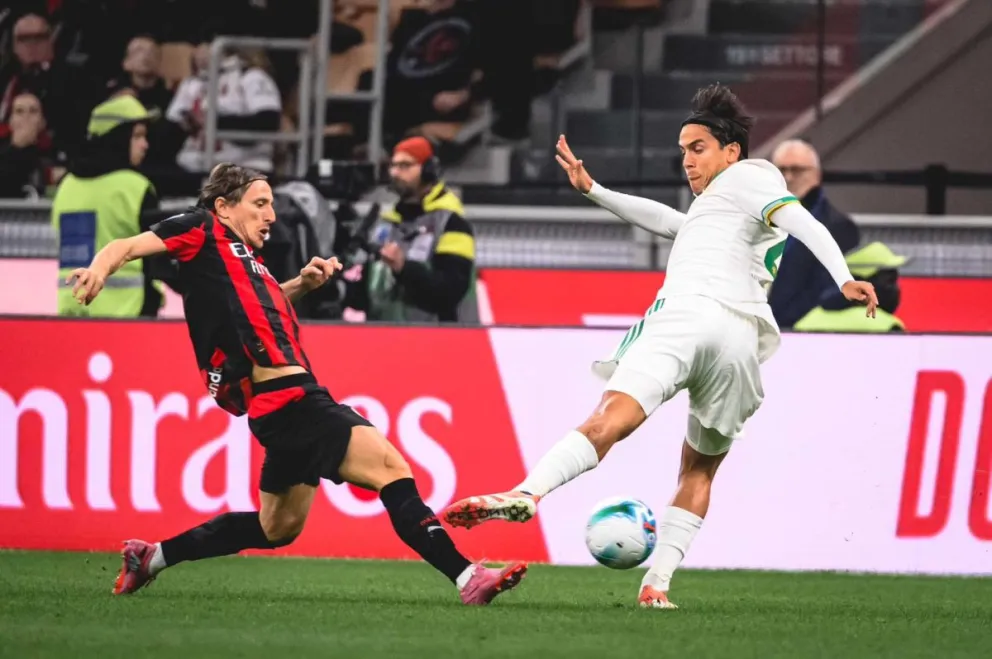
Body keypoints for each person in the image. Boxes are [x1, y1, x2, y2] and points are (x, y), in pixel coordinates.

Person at [441, 85, 878, 609]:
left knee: (608, 421)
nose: (687, 162)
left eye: (697, 148)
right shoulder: (720, 207)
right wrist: (595, 190)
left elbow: (803, 219)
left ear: (731, 151)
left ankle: (527, 493)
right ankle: (657, 586)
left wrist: (845, 276)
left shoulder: (753, 176)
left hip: (686, 316)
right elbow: (668, 222)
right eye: (682, 151)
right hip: (738, 343)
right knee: (699, 468)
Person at [66, 162, 525, 605]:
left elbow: (255, 306)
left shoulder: (249, 263)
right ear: (224, 206)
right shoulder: (202, 227)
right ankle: (468, 576)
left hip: (281, 405)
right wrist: (99, 270)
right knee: (391, 469)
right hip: (290, 401)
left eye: (271, 205)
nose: (271, 215)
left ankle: (151, 558)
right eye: (260, 203)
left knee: (277, 527)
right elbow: (125, 245)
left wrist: (302, 285)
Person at [51, 94, 166, 317]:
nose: (145, 144)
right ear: (119, 138)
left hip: (71, 315)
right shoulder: (135, 188)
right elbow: (157, 258)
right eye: (138, 136)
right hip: (129, 316)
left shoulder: (65, 187)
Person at [344, 137, 478, 323]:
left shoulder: (453, 224)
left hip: (439, 341)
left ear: (428, 169)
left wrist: (404, 268)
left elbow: (450, 292)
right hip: (383, 338)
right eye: (393, 165)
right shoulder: (385, 225)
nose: (395, 173)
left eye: (405, 166)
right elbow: (365, 297)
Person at [768, 139, 861, 329]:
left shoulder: (840, 228)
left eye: (797, 170)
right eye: (781, 170)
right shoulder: (753, 220)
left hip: (804, 335)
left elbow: (826, 291)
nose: (789, 177)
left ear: (816, 175)